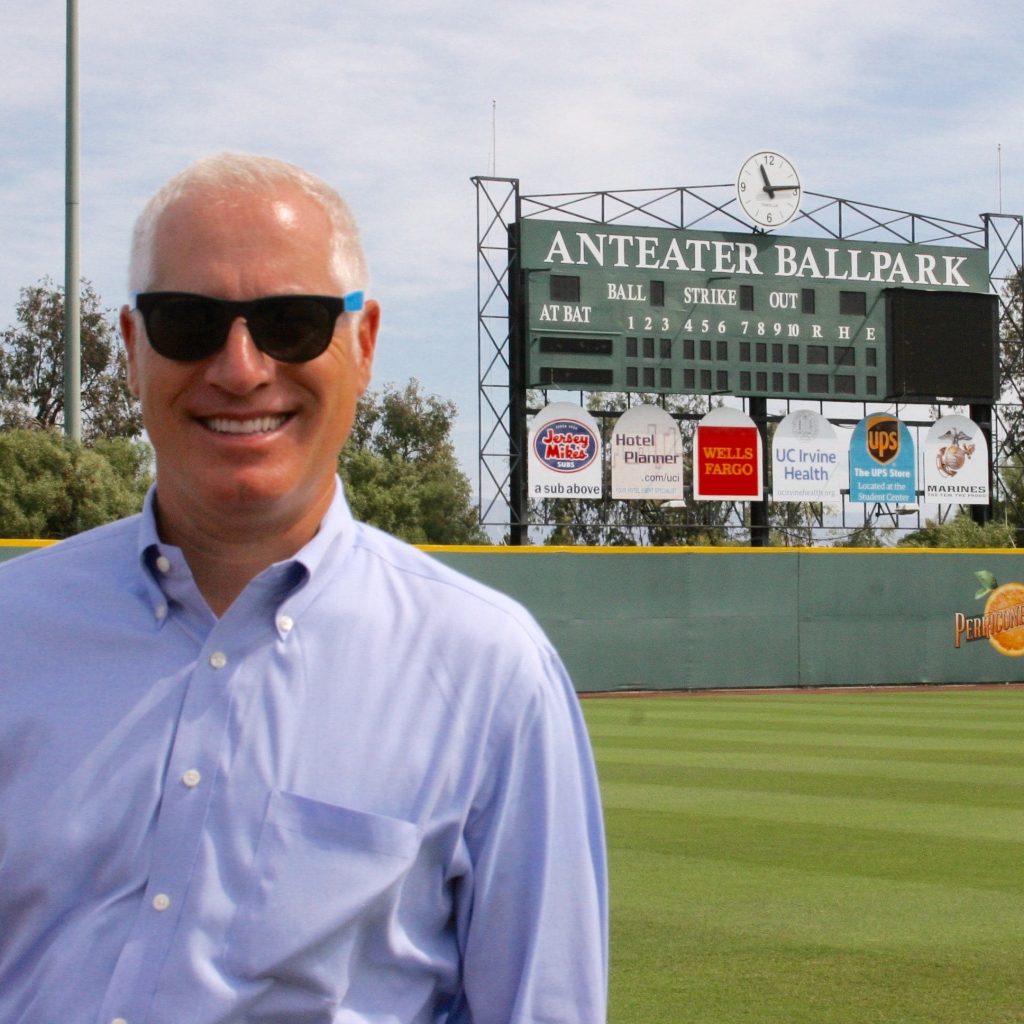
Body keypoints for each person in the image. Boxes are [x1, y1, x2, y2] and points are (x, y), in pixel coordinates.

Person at [0, 153, 607, 1023]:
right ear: (133, 352)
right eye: (187, 322)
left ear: (361, 345)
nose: (241, 368)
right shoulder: (10, 633)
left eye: (291, 322)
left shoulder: (488, 671)